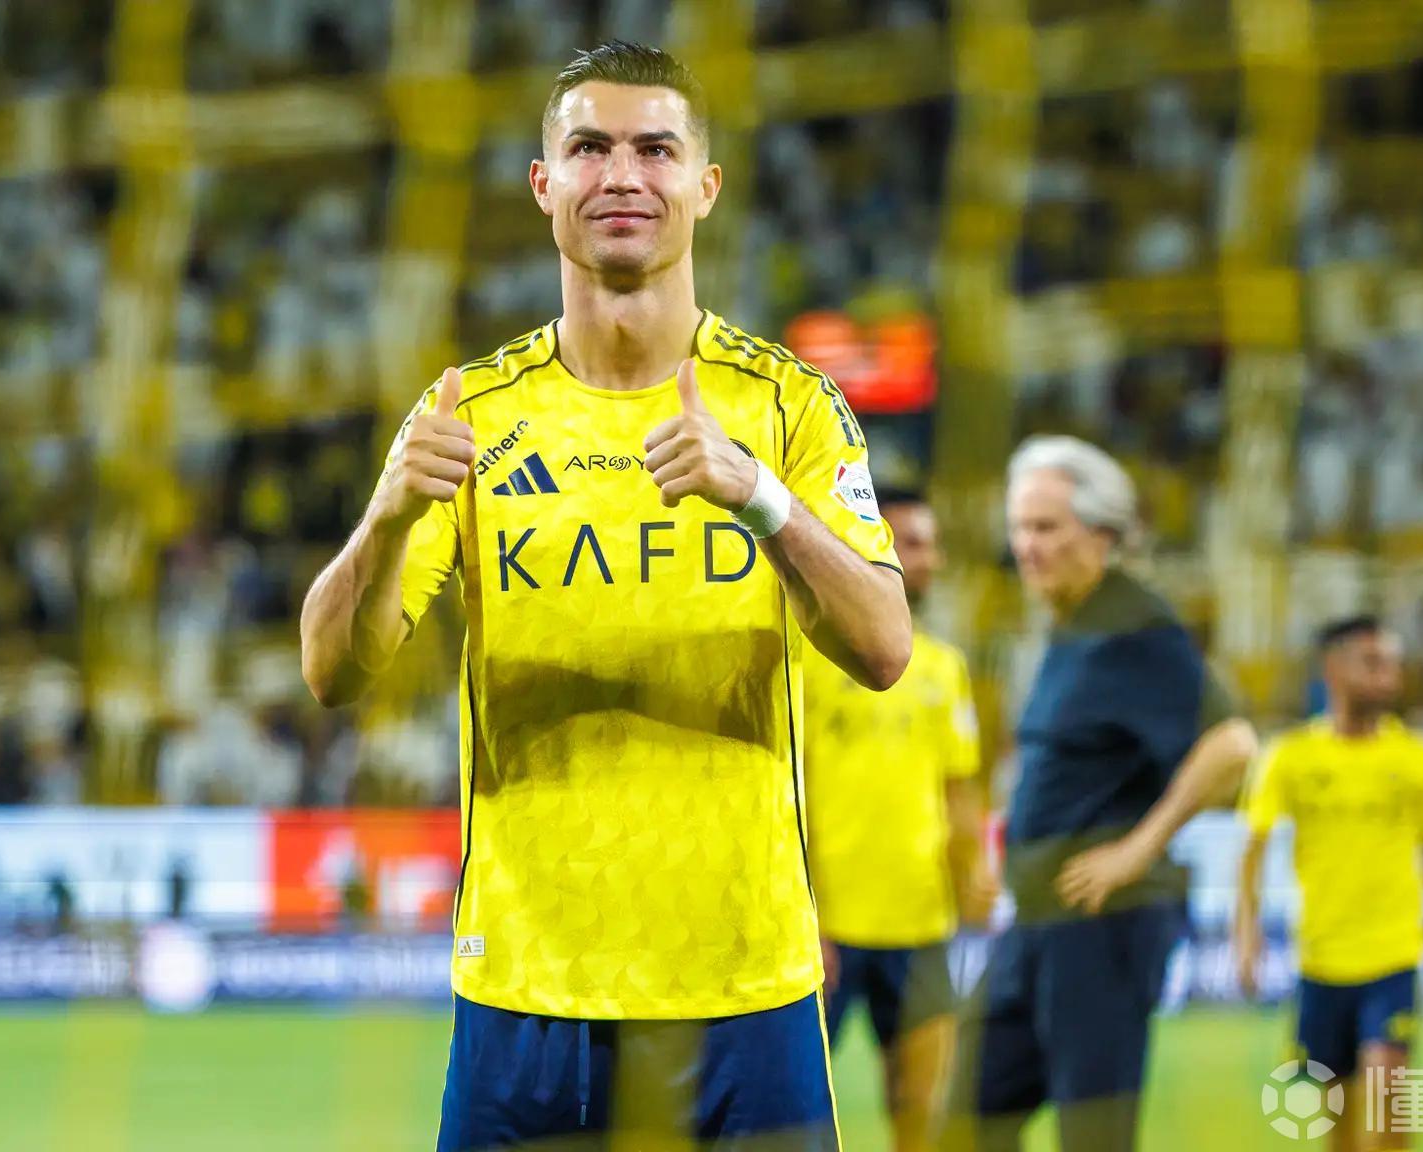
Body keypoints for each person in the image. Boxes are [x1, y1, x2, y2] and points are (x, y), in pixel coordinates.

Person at [300, 40, 912, 1151]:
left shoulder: (790, 407)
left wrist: (759, 497)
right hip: (527, 990)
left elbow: (883, 648)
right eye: (589, 147)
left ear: (705, 186)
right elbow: (333, 671)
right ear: (544, 185)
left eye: (655, 150)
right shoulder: (469, 413)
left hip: (744, 984)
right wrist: (384, 521)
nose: (622, 175)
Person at [945, 435, 1258, 1152]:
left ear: (1104, 535)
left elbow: (1233, 744)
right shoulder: (1070, 624)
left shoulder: (1133, 624)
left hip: (1101, 927)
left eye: (1046, 527)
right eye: (1020, 528)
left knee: (1093, 1138)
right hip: (1034, 925)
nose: (1027, 546)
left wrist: (1135, 851)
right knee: (963, 1123)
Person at [805, 493, 992, 1152]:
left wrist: (975, 872)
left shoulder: (944, 667)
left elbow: (958, 789)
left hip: (921, 924)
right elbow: (786, 793)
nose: (929, 559)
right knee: (797, 1108)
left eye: (932, 545)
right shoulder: (807, 660)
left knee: (920, 1104)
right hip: (827, 927)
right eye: (913, 543)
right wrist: (807, 912)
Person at [1234, 616, 1423, 1152]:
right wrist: (1246, 934)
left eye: (1393, 664)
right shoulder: (1289, 757)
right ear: (1333, 670)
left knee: (1387, 1108)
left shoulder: (1422, 759)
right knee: (1339, 1129)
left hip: (1393, 958)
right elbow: (1251, 853)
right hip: (1320, 963)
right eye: (1373, 663)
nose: (1388, 676)